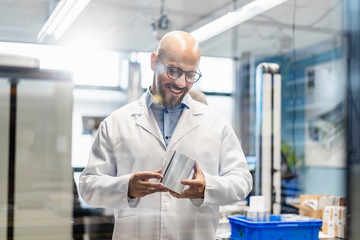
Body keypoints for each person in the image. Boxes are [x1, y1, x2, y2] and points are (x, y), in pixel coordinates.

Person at [79, 30, 252, 240]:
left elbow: (242, 180)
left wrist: (207, 187)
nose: (181, 83)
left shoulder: (215, 123)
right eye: (173, 71)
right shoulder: (117, 123)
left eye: (190, 75)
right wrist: (126, 188)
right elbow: (88, 186)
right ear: (154, 62)